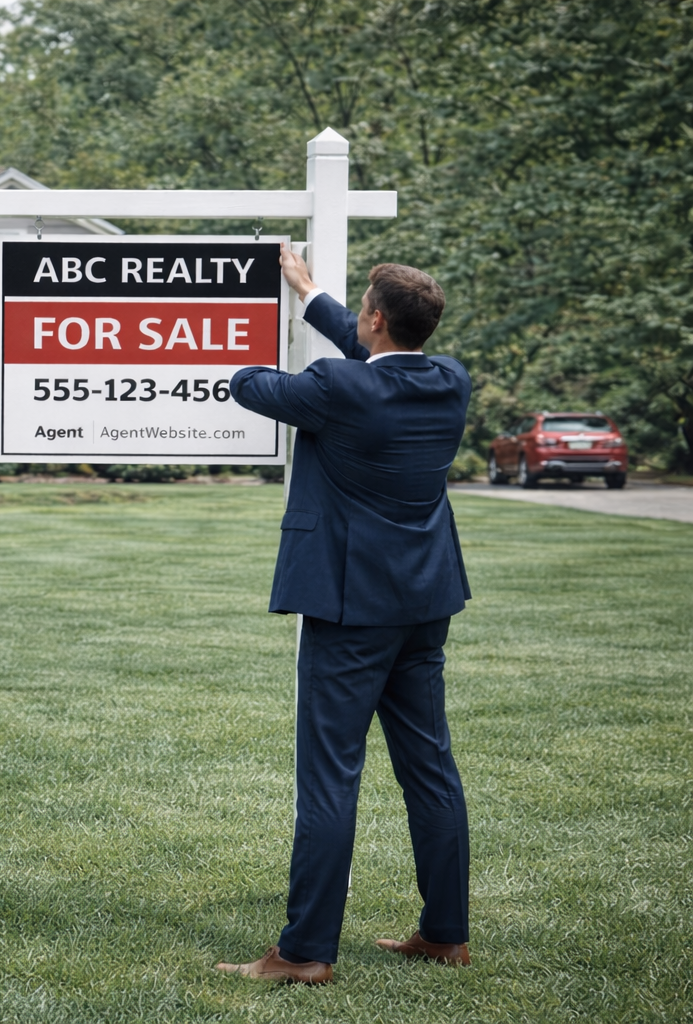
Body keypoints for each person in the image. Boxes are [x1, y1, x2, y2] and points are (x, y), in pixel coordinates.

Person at [213, 244, 473, 985]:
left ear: (378, 319)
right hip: (425, 605)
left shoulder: (335, 388)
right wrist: (309, 292)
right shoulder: (449, 381)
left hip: (351, 610)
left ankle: (302, 954)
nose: (356, 317)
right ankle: (446, 935)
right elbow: (372, 351)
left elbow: (249, 385)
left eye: (361, 307)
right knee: (431, 768)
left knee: (330, 777)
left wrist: (238, 349)